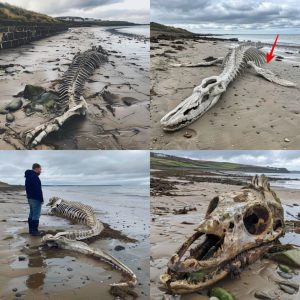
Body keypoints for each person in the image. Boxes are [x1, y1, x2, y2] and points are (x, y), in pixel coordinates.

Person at [25, 163, 44, 236]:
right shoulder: (34, 176)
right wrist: (41, 199)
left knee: (32, 214)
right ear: (36, 168)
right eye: (40, 169)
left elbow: (28, 188)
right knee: (36, 215)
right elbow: (37, 189)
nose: (41, 171)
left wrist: (29, 197)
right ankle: (34, 231)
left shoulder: (28, 176)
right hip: (35, 198)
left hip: (30, 198)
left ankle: (31, 230)